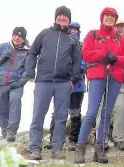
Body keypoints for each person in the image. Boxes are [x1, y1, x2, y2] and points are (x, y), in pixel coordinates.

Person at [74, 7, 124, 164]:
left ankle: (99, 149)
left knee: (107, 114)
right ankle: (80, 147)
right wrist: (103, 55)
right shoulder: (93, 34)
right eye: (107, 16)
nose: (109, 18)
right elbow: (86, 53)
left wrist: (116, 58)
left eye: (112, 17)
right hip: (98, 76)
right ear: (102, 17)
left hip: (115, 78)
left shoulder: (120, 38)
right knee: (92, 112)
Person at [26, 6, 82, 160]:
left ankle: (57, 148)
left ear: (69, 20)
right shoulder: (45, 33)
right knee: (38, 115)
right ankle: (35, 148)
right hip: (43, 81)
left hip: (63, 83)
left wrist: (73, 80)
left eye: (65, 16)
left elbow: (77, 61)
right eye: (60, 15)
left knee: (61, 116)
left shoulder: (72, 39)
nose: (62, 18)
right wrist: (30, 71)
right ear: (56, 17)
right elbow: (32, 52)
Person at [46, 22, 86, 151]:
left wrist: (75, 73)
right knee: (58, 112)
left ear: (79, 32)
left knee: (75, 113)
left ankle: (73, 141)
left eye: (76, 30)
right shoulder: (61, 44)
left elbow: (85, 63)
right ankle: (53, 139)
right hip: (61, 84)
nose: (73, 32)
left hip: (77, 85)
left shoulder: (82, 46)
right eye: (71, 29)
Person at [0, 27, 30, 142]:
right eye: (15, 35)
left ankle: (12, 131)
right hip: (0, 82)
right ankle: (4, 131)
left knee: (15, 102)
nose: (16, 38)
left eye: (20, 36)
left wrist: (20, 83)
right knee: (1, 108)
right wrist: (2, 58)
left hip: (16, 83)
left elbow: (28, 70)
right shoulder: (2, 47)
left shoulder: (27, 52)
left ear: (23, 38)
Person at [110, 18, 124, 150]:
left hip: (121, 79)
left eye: (122, 26)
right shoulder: (105, 39)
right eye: (117, 26)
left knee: (121, 108)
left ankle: (118, 138)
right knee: (103, 109)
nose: (119, 28)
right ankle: (101, 139)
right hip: (105, 79)